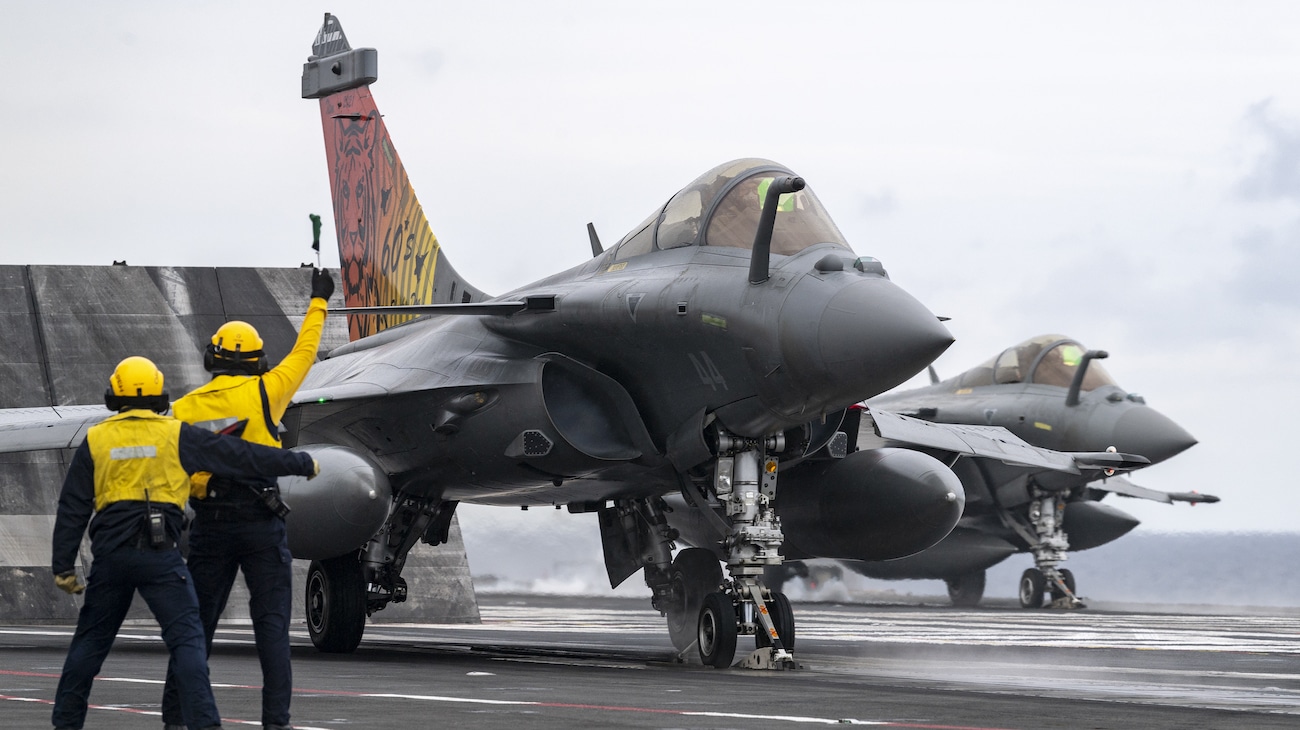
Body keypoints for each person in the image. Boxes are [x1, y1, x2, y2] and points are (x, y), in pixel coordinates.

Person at [50, 356, 318, 730]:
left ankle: (66, 722)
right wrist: (299, 462)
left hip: (112, 556)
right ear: (161, 395)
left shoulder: (97, 439)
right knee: (188, 641)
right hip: (161, 555)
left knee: (90, 643)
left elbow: (73, 506)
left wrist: (63, 564)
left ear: (113, 397)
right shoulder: (176, 434)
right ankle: (205, 724)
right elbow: (240, 456)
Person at [161, 267, 334, 730]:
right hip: (262, 524)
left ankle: (176, 720)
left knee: (194, 631)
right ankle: (276, 723)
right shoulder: (268, 391)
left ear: (210, 359)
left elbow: (168, 473)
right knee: (273, 632)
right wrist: (319, 299)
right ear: (257, 361)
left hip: (210, 528)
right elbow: (305, 352)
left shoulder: (184, 409)